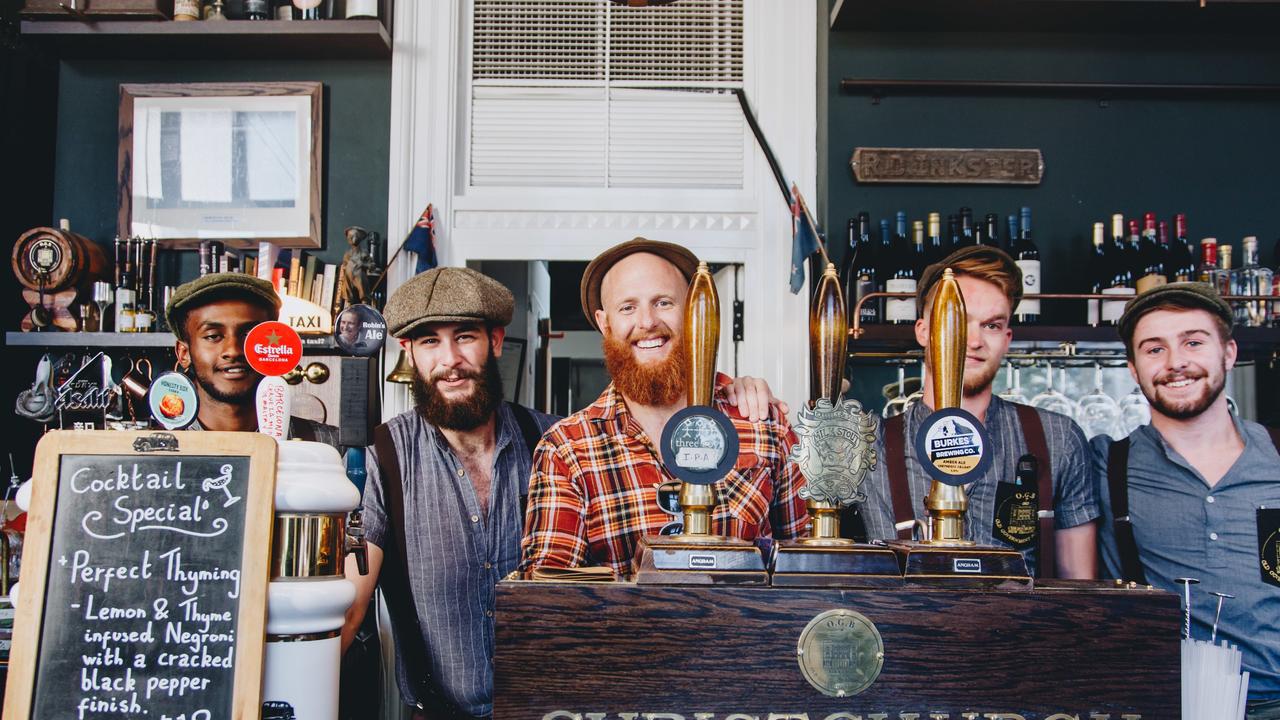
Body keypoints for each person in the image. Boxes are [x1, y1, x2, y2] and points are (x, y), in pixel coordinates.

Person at [340, 266, 557, 720]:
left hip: (550, 710)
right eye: (430, 342)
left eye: (465, 337)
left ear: (495, 342)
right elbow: (349, 604)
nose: (450, 359)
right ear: (410, 353)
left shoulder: (553, 443)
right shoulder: (383, 458)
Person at [519, 237, 807, 577]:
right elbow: (547, 600)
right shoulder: (566, 450)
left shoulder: (764, 426)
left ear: (693, 312)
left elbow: (805, 573)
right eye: (627, 307)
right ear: (604, 321)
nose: (647, 322)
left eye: (664, 302)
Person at [1091, 282, 1280, 719]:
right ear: (1134, 369)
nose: (1176, 363)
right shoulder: (1104, 462)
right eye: (1154, 349)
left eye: (1193, 342)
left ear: (1228, 353)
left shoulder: (1277, 454)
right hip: (1162, 702)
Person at [856, 246, 1098, 578]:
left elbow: (1081, 594)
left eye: (992, 325)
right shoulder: (868, 444)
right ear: (923, 331)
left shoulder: (1058, 439)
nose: (973, 340)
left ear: (1007, 338)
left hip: (1023, 629)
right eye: (957, 320)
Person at [165, 272, 336, 443]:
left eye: (249, 334)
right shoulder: (151, 451)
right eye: (213, 336)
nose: (233, 351)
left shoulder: (331, 446)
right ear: (184, 353)